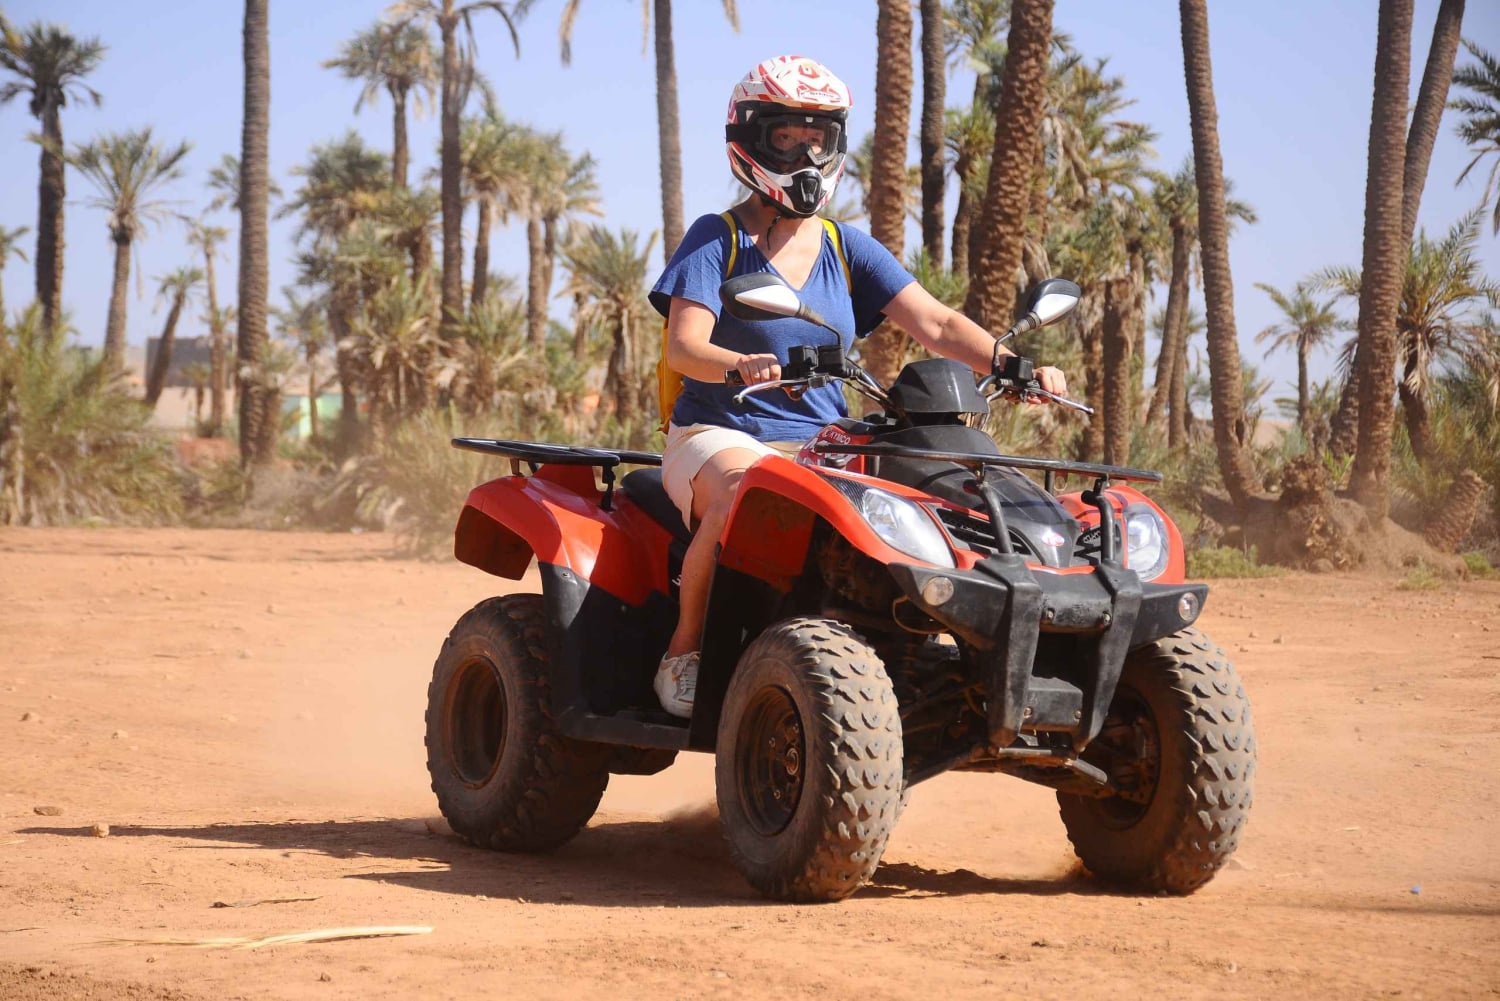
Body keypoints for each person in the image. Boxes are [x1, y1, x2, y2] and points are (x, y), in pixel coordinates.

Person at [646, 54, 1067, 718]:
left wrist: (1010, 363)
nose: (806, 152)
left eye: (818, 137)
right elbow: (684, 345)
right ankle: (685, 651)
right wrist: (738, 365)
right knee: (738, 495)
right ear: (753, 138)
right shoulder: (718, 238)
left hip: (824, 446)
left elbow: (933, 320)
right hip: (722, 433)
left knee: (930, 501)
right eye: (787, 135)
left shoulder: (846, 247)